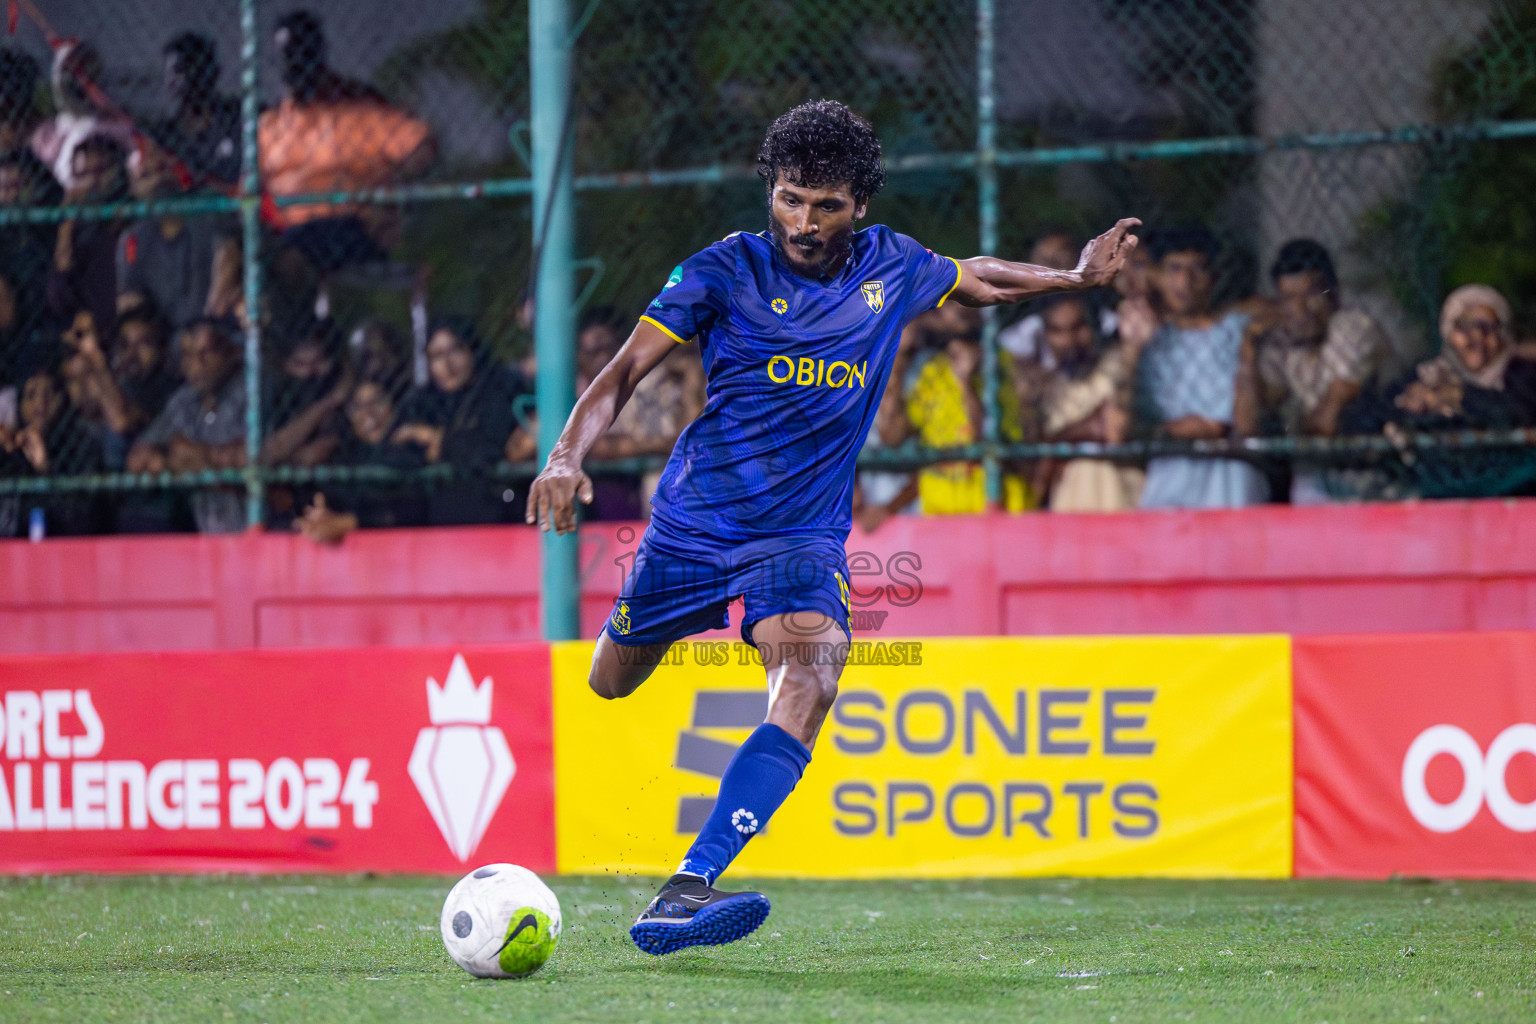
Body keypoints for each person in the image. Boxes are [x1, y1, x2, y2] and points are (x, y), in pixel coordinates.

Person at [525, 99, 1140, 954]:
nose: (803, 223)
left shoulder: (892, 266)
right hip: (692, 528)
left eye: (824, 205)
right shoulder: (723, 270)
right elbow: (626, 369)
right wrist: (564, 455)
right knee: (610, 681)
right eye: (788, 200)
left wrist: (1072, 281)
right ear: (770, 193)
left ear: (860, 205)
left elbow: (978, 277)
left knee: (814, 676)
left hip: (799, 542)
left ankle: (687, 887)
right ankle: (649, 630)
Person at [260, 10, 435, 280]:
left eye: (300, 54)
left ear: (317, 55)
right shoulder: (271, 125)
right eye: (284, 57)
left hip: (350, 224)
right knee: (233, 241)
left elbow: (421, 143)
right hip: (286, 229)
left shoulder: (355, 107)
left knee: (288, 256)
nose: (291, 65)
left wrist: (396, 183)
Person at [1235, 239, 1391, 503]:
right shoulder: (1284, 343)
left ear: (1334, 294)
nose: (1299, 310)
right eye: (1288, 299)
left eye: (1310, 296)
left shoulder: (1353, 327)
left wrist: (1291, 429)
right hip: (1319, 474)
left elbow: (1326, 424)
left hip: (1375, 476)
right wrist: (1248, 344)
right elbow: (1251, 421)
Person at [1131, 226, 1269, 509]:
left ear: (1214, 278)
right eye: (1174, 269)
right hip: (1168, 483)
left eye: (1197, 269)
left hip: (1231, 482)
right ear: (1155, 276)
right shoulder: (1145, 340)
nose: (1185, 281)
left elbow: (1281, 309)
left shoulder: (1234, 328)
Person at [897, 303, 1031, 513]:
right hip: (941, 507)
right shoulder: (933, 369)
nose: (952, 314)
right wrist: (899, 358)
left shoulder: (1003, 365)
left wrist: (965, 384)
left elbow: (982, 440)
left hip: (995, 504)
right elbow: (892, 437)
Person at [393, 318, 521, 524]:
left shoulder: (499, 391)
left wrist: (437, 439)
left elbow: (491, 448)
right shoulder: (423, 403)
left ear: (472, 351)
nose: (447, 364)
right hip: (440, 522)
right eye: (436, 356)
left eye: (455, 350)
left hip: (495, 514)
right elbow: (403, 449)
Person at [126, 318, 248, 533]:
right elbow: (138, 459)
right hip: (209, 532)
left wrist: (193, 458)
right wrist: (175, 458)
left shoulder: (250, 389)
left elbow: (246, 459)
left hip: (258, 528)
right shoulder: (185, 400)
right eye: (188, 355)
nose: (197, 364)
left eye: (207, 352)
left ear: (232, 353)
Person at [1028, 293, 1146, 511]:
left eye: (1078, 327)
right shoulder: (1050, 388)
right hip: (1069, 516)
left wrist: (1058, 442)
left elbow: (1112, 428)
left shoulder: (1120, 363)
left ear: (1096, 326)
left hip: (1121, 506)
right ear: (1046, 335)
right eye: (1058, 331)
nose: (1070, 340)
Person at [117, 143, 241, 329]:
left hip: (220, 326)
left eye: (162, 170)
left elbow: (230, 256)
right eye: (146, 176)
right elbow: (131, 296)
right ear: (134, 190)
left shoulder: (207, 206)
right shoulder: (134, 238)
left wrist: (211, 318)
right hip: (170, 336)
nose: (157, 180)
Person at [294, 376, 427, 544]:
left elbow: (409, 511)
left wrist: (345, 523)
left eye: (377, 401)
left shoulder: (413, 449)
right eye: (357, 407)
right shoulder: (345, 458)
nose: (369, 412)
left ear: (394, 405)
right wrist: (322, 517)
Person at [0, 362, 105, 535]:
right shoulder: (10, 446)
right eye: (31, 395)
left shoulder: (80, 443)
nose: (40, 403)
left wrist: (44, 469)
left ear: (61, 399)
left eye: (49, 393)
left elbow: (81, 519)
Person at [29, 41, 138, 192]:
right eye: (71, 73)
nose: (80, 82)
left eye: (87, 73)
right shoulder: (46, 135)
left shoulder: (119, 125)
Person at [48, 135, 128, 338]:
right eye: (82, 175)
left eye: (100, 171)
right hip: (88, 324)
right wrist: (66, 225)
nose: (92, 182)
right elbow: (60, 293)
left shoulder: (132, 214)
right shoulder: (77, 227)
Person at [149, 33, 242, 188]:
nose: (171, 82)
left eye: (179, 71)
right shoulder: (165, 132)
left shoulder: (235, 118)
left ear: (207, 72)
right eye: (168, 75)